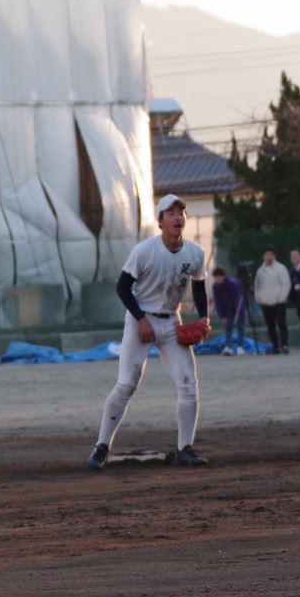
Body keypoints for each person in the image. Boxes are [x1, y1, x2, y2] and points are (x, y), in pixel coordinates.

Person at [87, 194, 211, 470]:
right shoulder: (145, 251)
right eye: (170, 213)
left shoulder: (194, 252)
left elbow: (199, 287)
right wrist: (141, 319)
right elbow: (122, 287)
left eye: (181, 212)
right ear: (160, 221)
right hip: (140, 319)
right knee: (127, 384)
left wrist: (203, 318)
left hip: (171, 322)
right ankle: (102, 446)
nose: (178, 217)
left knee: (188, 384)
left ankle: (185, 448)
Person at [253, 249, 291, 355]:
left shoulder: (281, 268)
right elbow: (257, 286)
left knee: (281, 324)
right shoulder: (260, 271)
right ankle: (275, 346)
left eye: (270, 255)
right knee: (270, 326)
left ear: (274, 256)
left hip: (279, 301)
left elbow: (285, 284)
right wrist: (259, 298)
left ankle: (284, 344)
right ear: (263, 257)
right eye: (266, 255)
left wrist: (281, 298)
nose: (268, 257)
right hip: (265, 302)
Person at [210, 268, 245, 355]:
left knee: (240, 326)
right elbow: (217, 302)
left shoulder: (232, 284)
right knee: (228, 328)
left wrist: (238, 313)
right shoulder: (215, 287)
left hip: (238, 307)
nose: (218, 279)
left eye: (220, 276)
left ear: (223, 276)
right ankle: (228, 347)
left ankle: (240, 347)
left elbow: (238, 298)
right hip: (227, 309)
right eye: (216, 277)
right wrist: (222, 315)